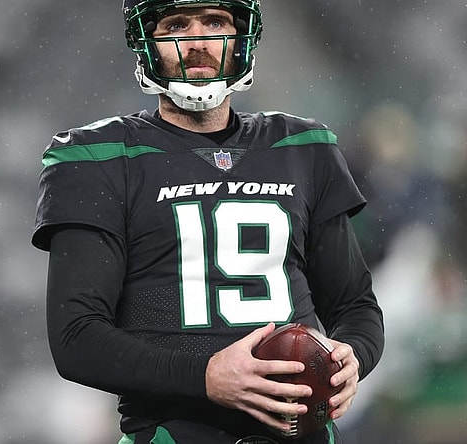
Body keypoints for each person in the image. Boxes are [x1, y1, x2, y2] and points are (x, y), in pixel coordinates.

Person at [31, 1, 384, 443]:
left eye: (215, 21)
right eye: (177, 24)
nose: (198, 40)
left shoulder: (303, 147)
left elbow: (355, 307)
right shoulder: (98, 157)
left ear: (241, 36)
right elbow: (76, 338)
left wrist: (355, 356)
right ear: (147, 42)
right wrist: (205, 375)